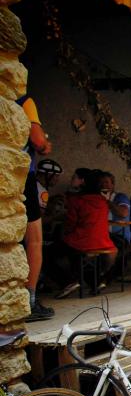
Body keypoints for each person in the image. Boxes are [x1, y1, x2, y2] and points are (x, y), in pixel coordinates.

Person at [46, 170, 117, 298]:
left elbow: (70, 224)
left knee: (46, 253)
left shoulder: (77, 201)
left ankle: (67, 282)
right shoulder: (103, 201)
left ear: (84, 183)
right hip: (103, 242)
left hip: (81, 241)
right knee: (75, 255)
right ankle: (96, 282)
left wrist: (64, 229)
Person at [18, 94, 54, 321]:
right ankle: (29, 301)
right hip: (21, 175)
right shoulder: (23, 101)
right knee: (34, 240)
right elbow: (39, 141)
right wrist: (45, 144)